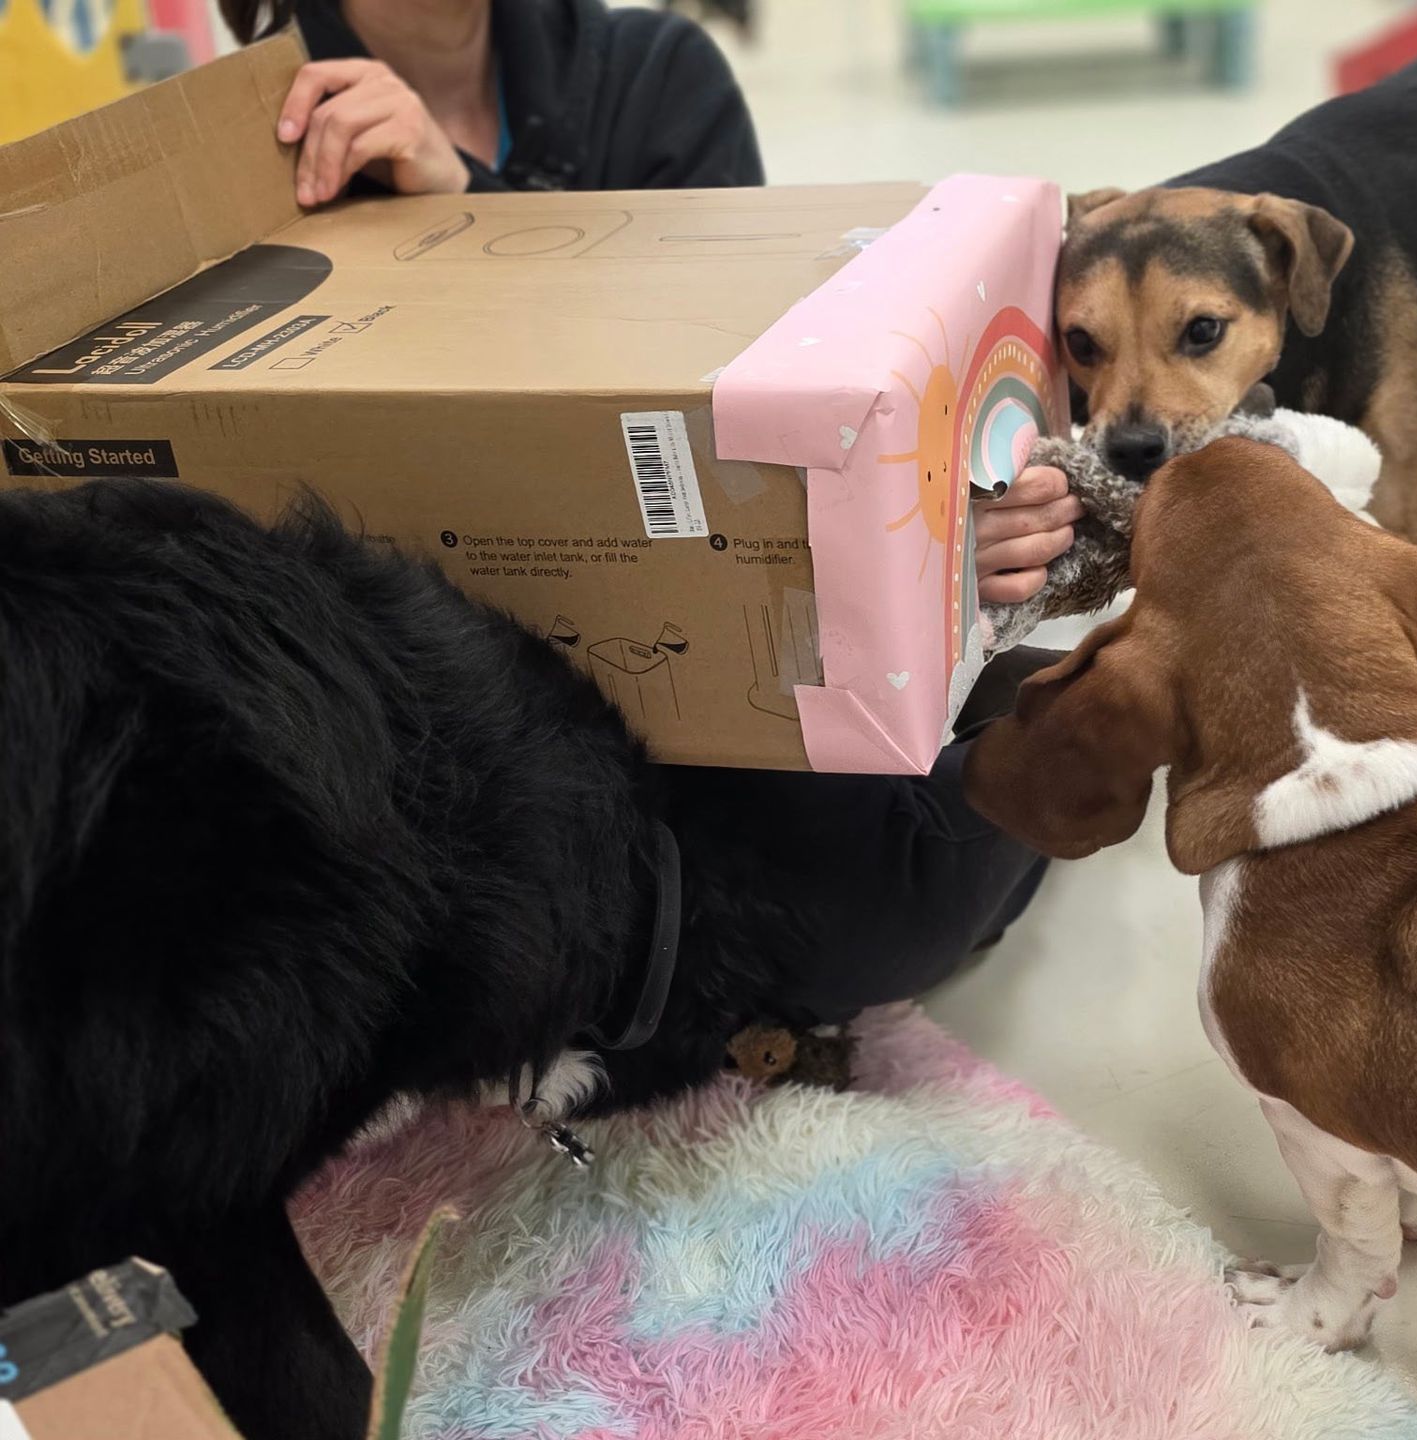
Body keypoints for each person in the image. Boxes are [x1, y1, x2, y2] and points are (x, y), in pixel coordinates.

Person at [219, 0, 1080, 1019]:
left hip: (702, 671)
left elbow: (753, 416)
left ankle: (1023, 710)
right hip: (434, 719)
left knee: (872, 896)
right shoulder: (243, 146)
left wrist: (924, 541)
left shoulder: (652, 71)